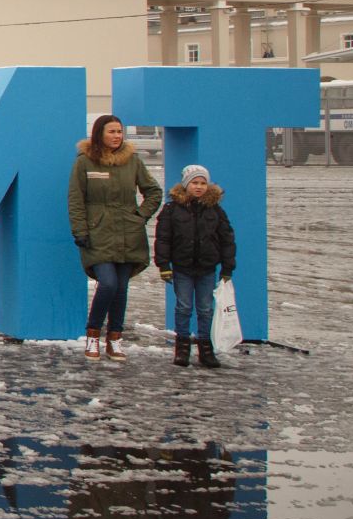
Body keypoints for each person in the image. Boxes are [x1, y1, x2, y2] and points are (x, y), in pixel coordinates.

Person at [69, 114, 163, 361]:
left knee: (121, 288)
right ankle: (93, 333)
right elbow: (76, 199)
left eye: (119, 131)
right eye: (111, 131)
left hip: (128, 234)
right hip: (97, 233)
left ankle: (115, 338)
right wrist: (80, 229)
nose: (117, 136)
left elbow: (153, 191)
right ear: (99, 133)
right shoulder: (84, 162)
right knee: (108, 283)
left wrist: (140, 216)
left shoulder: (132, 161)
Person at [154, 163, 236, 368]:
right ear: (185, 184)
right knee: (183, 307)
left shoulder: (215, 210)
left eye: (202, 183)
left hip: (207, 268)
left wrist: (227, 268)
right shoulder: (171, 210)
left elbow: (227, 240)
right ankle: (182, 347)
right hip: (182, 267)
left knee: (206, 308)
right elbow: (163, 239)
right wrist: (163, 264)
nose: (198, 187)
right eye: (194, 182)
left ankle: (205, 347)